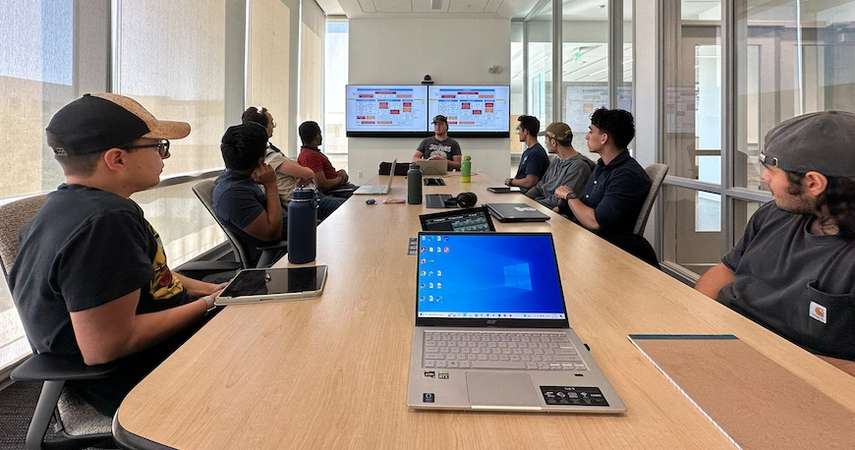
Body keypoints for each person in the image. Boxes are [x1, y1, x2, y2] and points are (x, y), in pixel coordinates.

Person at [9, 93, 224, 416]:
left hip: (163, 348)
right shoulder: (106, 222)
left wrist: (212, 290)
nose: (164, 158)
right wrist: (208, 304)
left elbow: (144, 273)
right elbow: (106, 346)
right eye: (158, 147)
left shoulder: (64, 207)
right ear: (117, 159)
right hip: (143, 377)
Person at [695, 111, 855, 364]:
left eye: (771, 170)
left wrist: (772, 361)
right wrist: (691, 321)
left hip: (792, 376)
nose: (763, 178)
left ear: (813, 183)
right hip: (723, 345)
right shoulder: (774, 214)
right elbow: (726, 270)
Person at [554, 108, 650, 236]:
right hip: (583, 235)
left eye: (591, 131)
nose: (587, 136)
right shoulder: (602, 166)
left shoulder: (626, 175)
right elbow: (586, 203)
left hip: (605, 246)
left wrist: (569, 196)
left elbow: (595, 222)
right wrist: (560, 210)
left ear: (604, 138)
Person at [242, 107, 345, 221]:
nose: (274, 126)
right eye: (271, 123)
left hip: (304, 198)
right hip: (304, 201)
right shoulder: (269, 155)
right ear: (262, 128)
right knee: (348, 207)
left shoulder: (260, 154)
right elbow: (309, 174)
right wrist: (341, 178)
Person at [212, 123, 287, 267]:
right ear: (261, 159)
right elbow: (272, 234)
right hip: (284, 253)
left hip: (299, 232)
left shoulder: (245, 179)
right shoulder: (232, 194)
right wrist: (271, 185)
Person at [524, 122, 594, 209]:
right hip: (542, 206)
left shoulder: (579, 167)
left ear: (553, 142)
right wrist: (524, 200)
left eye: (546, 139)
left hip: (553, 213)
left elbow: (560, 201)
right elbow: (540, 187)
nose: (545, 143)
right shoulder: (557, 160)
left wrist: (531, 206)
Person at [297, 121, 356, 196]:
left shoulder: (311, 152)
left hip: (338, 187)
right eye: (320, 133)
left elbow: (326, 176)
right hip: (333, 191)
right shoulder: (310, 155)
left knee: (364, 190)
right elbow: (322, 185)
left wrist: (340, 173)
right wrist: (341, 178)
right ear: (317, 135)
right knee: (363, 194)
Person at [505, 115, 550, 191]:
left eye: (519, 130)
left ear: (526, 132)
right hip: (523, 194)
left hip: (530, 197)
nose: (518, 133)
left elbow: (530, 182)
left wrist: (511, 182)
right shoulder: (528, 152)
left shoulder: (536, 153)